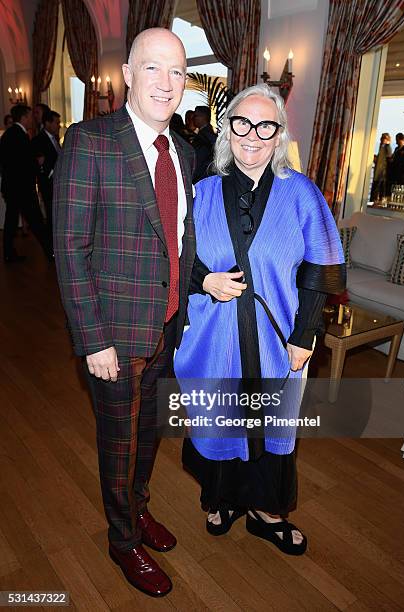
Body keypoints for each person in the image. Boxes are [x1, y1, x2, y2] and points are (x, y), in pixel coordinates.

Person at [174, 84, 346, 555]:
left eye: (265, 125)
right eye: (242, 123)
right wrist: (205, 280)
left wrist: (306, 333)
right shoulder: (201, 193)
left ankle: (266, 512)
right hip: (216, 338)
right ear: (228, 131)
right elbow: (174, 256)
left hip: (277, 341)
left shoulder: (302, 194)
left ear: (279, 135)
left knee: (271, 426)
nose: (253, 134)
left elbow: (322, 267)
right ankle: (223, 499)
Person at [53, 28, 195, 597]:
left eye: (178, 72)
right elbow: (70, 247)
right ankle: (120, 539)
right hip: (113, 334)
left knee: (148, 432)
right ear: (129, 76)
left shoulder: (183, 152)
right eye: (153, 69)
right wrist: (92, 339)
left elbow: (178, 242)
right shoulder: (90, 141)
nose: (166, 83)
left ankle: (137, 510)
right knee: (118, 440)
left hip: (166, 327)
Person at [0, 104, 53, 263]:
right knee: (36, 222)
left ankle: (9, 254)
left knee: (11, 222)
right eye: (30, 116)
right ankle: (50, 252)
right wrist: (37, 163)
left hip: (13, 187)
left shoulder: (10, 134)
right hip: (22, 188)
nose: (32, 119)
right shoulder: (19, 135)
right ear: (23, 117)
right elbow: (23, 163)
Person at [31, 109, 61, 239]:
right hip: (48, 184)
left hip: (57, 183)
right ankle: (51, 246)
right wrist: (53, 172)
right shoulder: (38, 140)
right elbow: (38, 162)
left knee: (56, 215)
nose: (58, 125)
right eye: (56, 123)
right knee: (51, 215)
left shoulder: (55, 138)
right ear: (48, 123)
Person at [191, 105, 217, 182]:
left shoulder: (205, 136)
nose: (193, 118)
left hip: (203, 176)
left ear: (203, 117)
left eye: (196, 116)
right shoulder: (206, 133)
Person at [370, 132, 392, 201]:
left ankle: (376, 201)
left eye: (382, 138)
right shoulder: (382, 147)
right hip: (378, 172)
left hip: (381, 173)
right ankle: (374, 201)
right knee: (376, 189)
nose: (381, 139)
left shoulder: (387, 147)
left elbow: (388, 158)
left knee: (378, 189)